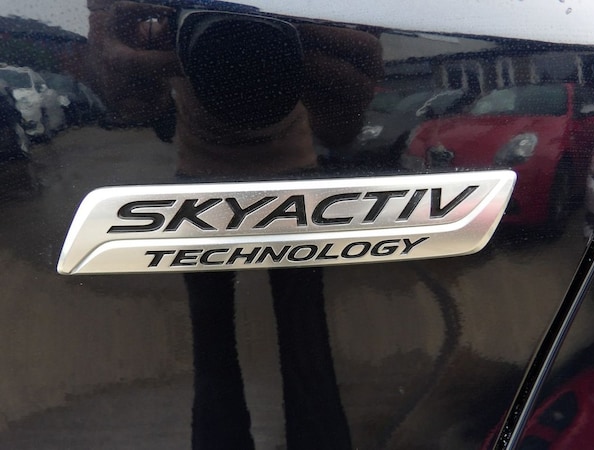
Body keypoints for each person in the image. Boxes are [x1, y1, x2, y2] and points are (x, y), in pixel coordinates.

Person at [86, 1, 383, 448]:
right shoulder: (169, 21)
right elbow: (137, 106)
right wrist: (110, 33)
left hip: (243, 180)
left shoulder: (279, 16)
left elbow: (341, 131)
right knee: (246, 338)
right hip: (247, 180)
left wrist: (327, 65)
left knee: (262, 337)